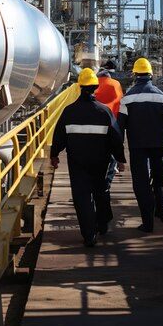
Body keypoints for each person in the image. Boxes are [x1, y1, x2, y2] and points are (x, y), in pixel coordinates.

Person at [50, 68, 126, 247]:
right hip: (101, 161)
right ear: (95, 88)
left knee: (82, 197)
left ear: (79, 87)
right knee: (100, 191)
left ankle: (89, 235)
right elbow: (115, 137)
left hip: (77, 162)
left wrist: (54, 154)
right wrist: (120, 158)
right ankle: (103, 223)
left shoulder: (69, 111)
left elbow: (59, 135)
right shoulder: (104, 111)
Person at [117, 57, 163, 233]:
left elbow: (119, 128)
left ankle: (147, 223)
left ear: (135, 75)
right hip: (159, 146)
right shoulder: (162, 97)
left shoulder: (127, 99)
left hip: (138, 148)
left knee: (141, 184)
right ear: (151, 75)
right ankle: (162, 208)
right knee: (158, 177)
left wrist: (117, 153)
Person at [94, 60, 124, 189]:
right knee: (111, 152)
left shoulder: (94, 84)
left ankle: (94, 183)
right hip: (112, 122)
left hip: (94, 123)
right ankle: (107, 183)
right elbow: (120, 102)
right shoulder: (115, 84)